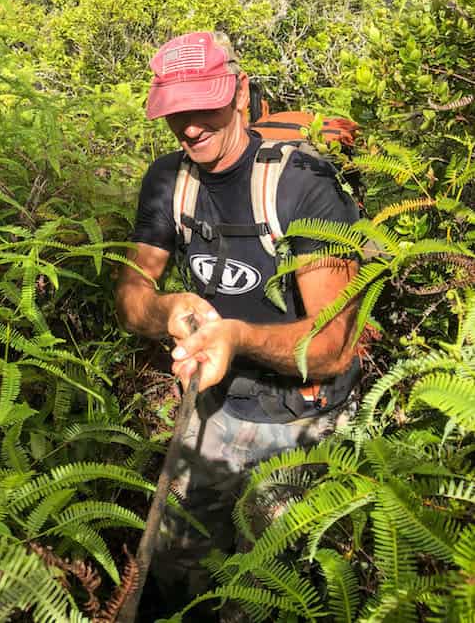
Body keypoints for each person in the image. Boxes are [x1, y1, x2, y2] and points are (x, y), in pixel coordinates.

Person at [115, 31, 361, 617]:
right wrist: (165, 309)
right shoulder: (166, 181)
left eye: (203, 106)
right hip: (212, 406)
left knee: (266, 593)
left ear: (240, 93)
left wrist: (238, 336)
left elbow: (334, 345)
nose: (189, 127)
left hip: (303, 419)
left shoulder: (305, 186)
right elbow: (129, 293)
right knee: (172, 572)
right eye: (175, 113)